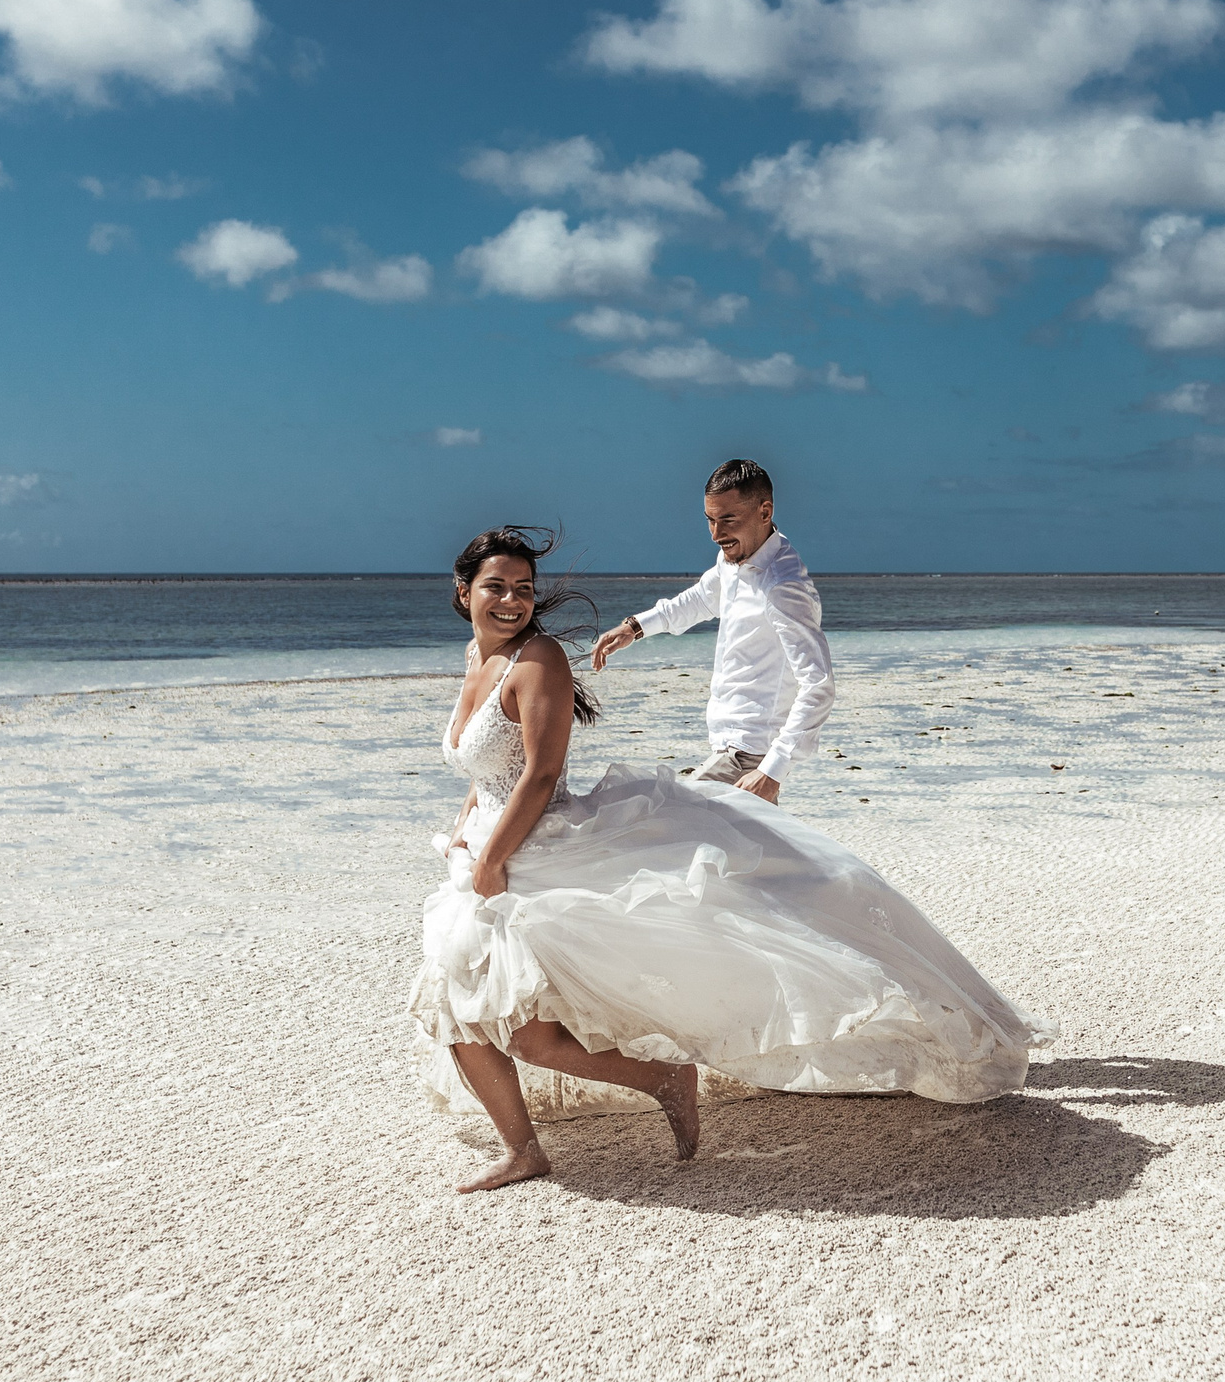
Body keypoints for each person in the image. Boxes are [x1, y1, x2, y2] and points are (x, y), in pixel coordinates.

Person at [409, 525, 1050, 1194]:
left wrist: (492, 861)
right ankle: (532, 1146)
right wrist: (465, 832)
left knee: (528, 1032)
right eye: (495, 588)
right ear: (463, 593)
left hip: (531, 856)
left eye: (523, 589)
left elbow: (541, 776)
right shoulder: (474, 657)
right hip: (484, 850)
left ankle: (662, 1078)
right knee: (465, 1012)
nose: (511, 600)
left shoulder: (538, 659)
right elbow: (487, 773)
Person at [590, 458, 829, 805]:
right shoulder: (734, 561)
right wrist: (635, 627)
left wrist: (773, 771)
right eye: (711, 521)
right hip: (729, 746)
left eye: (728, 520)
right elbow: (699, 600)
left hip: (750, 754)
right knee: (739, 856)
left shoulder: (783, 587)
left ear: (765, 512)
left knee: (662, 820)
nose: (717, 535)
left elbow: (818, 685)